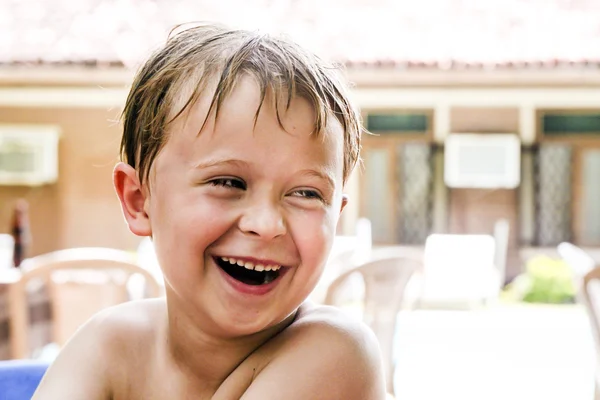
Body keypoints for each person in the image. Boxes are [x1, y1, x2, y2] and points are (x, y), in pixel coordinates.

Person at [33, 22, 386, 399]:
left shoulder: (337, 352)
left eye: (306, 193)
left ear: (337, 215)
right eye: (228, 183)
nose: (266, 225)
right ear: (139, 200)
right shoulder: (109, 343)